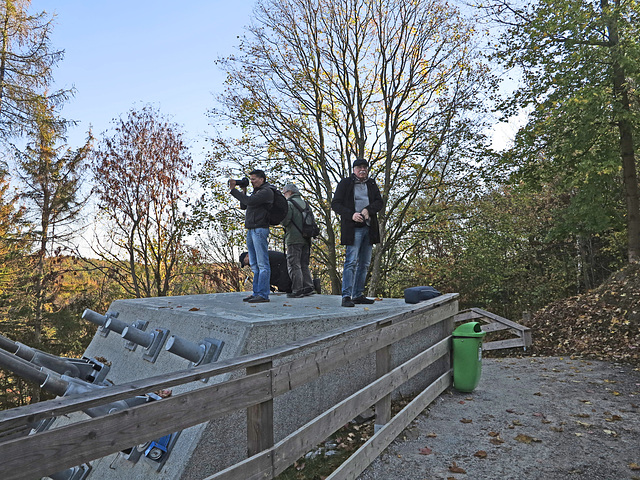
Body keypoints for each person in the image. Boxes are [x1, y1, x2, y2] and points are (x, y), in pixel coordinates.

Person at [331, 158, 383, 307]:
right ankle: (346, 296)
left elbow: (379, 202)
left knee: (365, 263)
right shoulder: (345, 183)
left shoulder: (371, 184)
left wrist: (368, 210)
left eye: (365, 167)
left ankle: (358, 294)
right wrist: (352, 214)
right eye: (359, 167)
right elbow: (335, 204)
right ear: (353, 170)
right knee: (351, 262)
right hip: (352, 229)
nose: (363, 170)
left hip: (369, 227)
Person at [229, 170, 273, 303]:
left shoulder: (266, 191)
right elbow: (244, 205)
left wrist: (233, 189)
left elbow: (250, 201)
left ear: (262, 179)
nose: (252, 181)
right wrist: (243, 190)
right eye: (251, 179)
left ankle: (263, 294)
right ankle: (256, 293)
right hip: (252, 229)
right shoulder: (257, 192)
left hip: (260, 229)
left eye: (254, 179)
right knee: (254, 264)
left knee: (262, 264)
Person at [281, 183, 315, 298]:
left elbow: (285, 221)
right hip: (306, 238)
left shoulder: (289, 204)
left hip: (294, 238)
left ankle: (297, 290)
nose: (284, 195)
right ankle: (308, 287)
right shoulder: (306, 204)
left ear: (289, 192)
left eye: (284, 193)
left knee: (294, 264)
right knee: (304, 264)